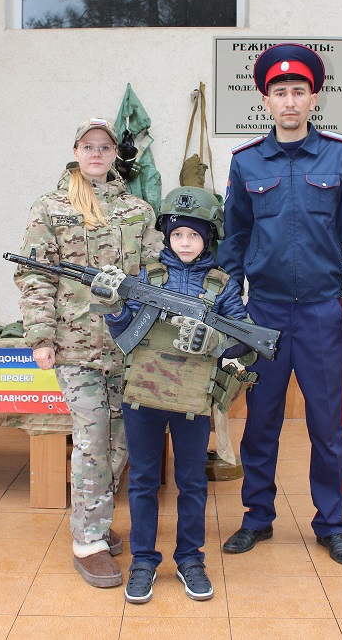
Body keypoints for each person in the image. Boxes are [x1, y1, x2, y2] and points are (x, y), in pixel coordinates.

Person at [218, 43, 342, 566]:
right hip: (262, 313)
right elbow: (234, 242)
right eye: (280, 92)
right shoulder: (246, 162)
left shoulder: (340, 156)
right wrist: (232, 308)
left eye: (298, 91)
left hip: (321, 313)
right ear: (266, 100)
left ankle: (331, 524)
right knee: (260, 422)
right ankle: (256, 518)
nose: (289, 101)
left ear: (314, 98)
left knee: (326, 425)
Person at [14, 117, 162, 588]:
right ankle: (89, 541)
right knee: (93, 438)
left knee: (121, 442)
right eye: (88, 146)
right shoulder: (51, 207)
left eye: (104, 146)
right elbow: (35, 274)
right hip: (76, 348)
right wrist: (41, 336)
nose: (96, 153)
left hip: (128, 347)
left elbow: (156, 273)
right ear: (76, 151)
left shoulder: (138, 210)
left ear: (114, 154)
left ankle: (93, 515)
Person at [97, 187, 256, 603]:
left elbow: (245, 338)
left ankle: (190, 559)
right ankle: (143, 561)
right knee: (143, 481)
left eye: (194, 235)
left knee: (192, 483)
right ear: (166, 236)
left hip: (192, 401)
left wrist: (215, 342)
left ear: (209, 238)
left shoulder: (222, 285)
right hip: (143, 396)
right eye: (177, 234)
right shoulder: (146, 277)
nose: (185, 243)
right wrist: (114, 308)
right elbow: (126, 334)